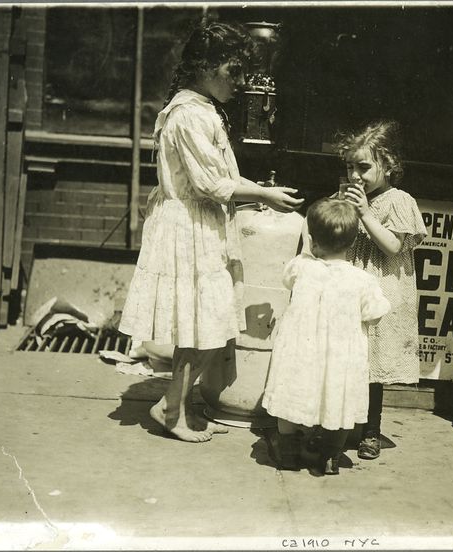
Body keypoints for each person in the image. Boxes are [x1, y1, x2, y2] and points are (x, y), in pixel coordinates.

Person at [118, 22, 303, 443]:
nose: (239, 82)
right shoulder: (187, 116)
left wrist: (250, 193)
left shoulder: (203, 110)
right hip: (189, 228)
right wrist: (264, 194)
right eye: (232, 71)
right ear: (203, 67)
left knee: (209, 326)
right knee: (203, 327)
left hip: (203, 225)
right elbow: (209, 184)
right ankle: (171, 408)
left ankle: (170, 402)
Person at [262, 198, 391, 475]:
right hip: (340, 357)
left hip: (301, 351)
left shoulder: (300, 267)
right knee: (338, 401)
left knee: (292, 396)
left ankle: (287, 451)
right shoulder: (362, 279)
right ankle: (331, 454)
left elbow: (287, 280)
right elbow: (376, 313)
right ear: (353, 242)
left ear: (311, 240)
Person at [337, 120, 427, 460]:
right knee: (350, 356)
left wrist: (363, 213)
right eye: (350, 167)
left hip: (382, 287)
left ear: (388, 166)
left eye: (363, 167)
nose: (355, 175)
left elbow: (391, 245)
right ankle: (344, 423)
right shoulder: (347, 197)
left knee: (372, 364)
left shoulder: (399, 200)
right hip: (351, 284)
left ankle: (370, 431)